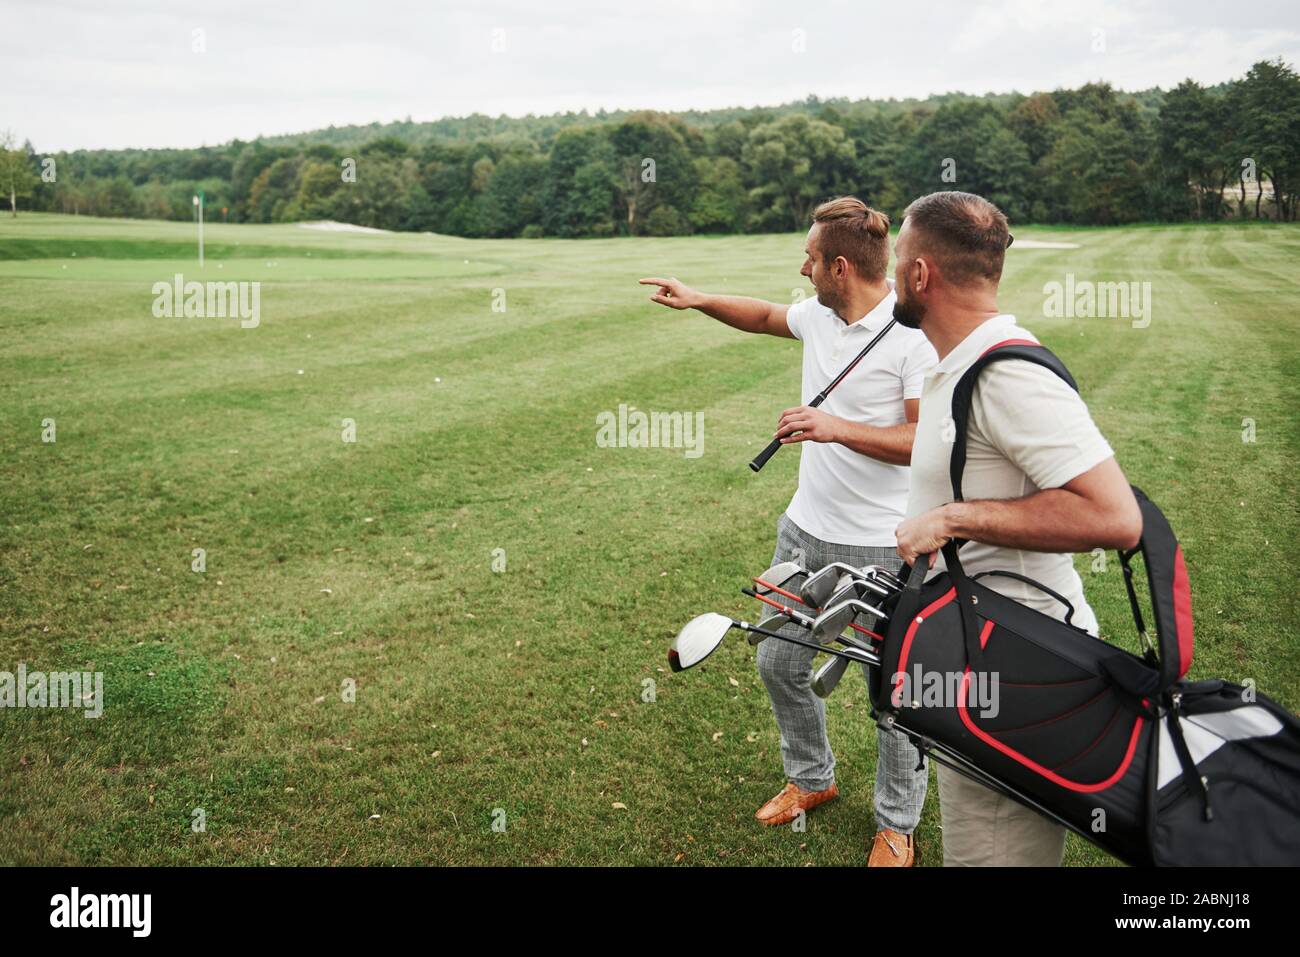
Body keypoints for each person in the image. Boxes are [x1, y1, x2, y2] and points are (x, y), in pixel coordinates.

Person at [641, 197, 937, 866]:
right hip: (804, 530)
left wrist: (834, 427)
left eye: (809, 258)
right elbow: (767, 316)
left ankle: (897, 823)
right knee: (778, 660)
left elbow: (924, 441)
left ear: (839, 265)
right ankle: (814, 778)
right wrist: (697, 299)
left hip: (879, 546)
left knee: (892, 692)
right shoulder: (821, 314)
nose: (801, 268)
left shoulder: (914, 336)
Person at [891, 190, 1143, 866]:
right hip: (980, 653)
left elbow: (1115, 515)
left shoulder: (1002, 373)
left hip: (1018, 672)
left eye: (897, 258)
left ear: (920, 274)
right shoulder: (959, 362)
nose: (892, 272)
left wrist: (951, 518)